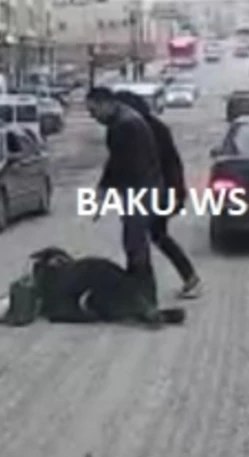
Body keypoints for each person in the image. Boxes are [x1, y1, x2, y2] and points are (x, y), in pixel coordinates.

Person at [110, 90, 202, 298]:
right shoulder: (145, 127)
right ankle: (186, 278)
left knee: (143, 236)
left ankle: (144, 286)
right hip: (157, 191)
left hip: (159, 191)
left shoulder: (146, 129)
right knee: (152, 235)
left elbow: (167, 164)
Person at [84, 87, 163, 314]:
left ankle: (144, 298)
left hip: (141, 189)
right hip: (143, 186)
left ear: (105, 103)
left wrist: (105, 194)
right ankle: (141, 295)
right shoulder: (124, 119)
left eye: (93, 110)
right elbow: (115, 162)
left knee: (135, 242)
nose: (92, 116)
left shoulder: (124, 125)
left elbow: (121, 165)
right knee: (134, 241)